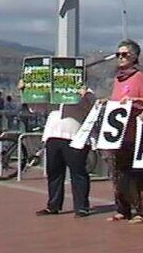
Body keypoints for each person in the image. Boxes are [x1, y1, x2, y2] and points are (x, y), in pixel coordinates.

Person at [23, 82, 97, 219]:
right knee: (54, 172)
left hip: (76, 137)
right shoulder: (51, 89)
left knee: (78, 172)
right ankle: (53, 205)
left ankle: (81, 207)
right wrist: (25, 91)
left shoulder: (87, 91)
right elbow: (35, 107)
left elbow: (94, 109)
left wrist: (85, 95)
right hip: (53, 135)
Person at [107, 39, 143, 223]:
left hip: (137, 134)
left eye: (124, 54)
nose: (120, 58)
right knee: (119, 173)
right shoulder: (118, 78)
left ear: (134, 56)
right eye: (118, 54)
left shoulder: (141, 76)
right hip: (119, 135)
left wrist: (135, 100)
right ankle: (123, 208)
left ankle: (142, 211)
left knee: (141, 174)